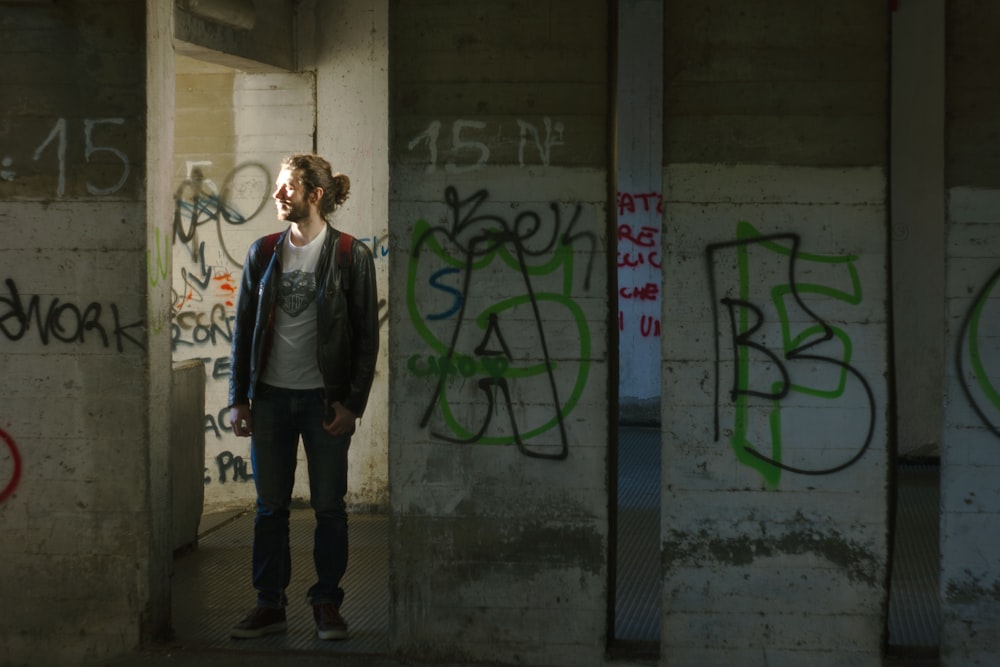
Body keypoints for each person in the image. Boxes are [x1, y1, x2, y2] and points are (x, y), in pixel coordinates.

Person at [226, 153, 379, 641]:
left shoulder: (351, 255)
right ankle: (269, 603)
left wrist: (352, 404)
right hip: (269, 399)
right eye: (277, 185)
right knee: (270, 507)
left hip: (323, 403)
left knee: (329, 507)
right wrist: (239, 397)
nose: (277, 194)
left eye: (287, 186)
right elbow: (244, 329)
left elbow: (366, 338)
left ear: (315, 194)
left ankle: (327, 603)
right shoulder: (263, 251)